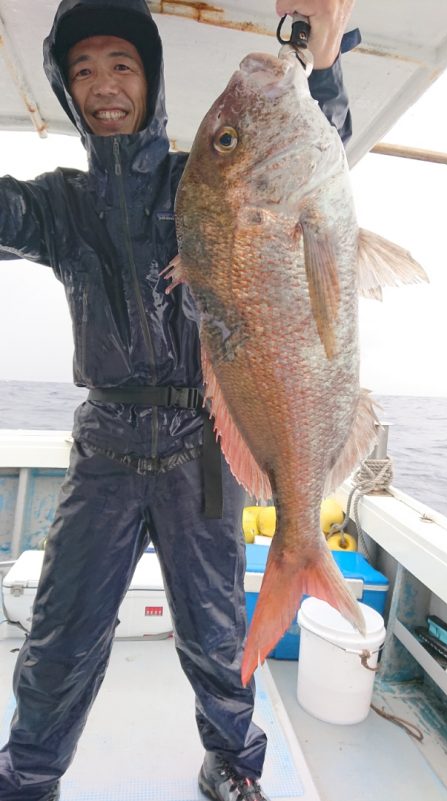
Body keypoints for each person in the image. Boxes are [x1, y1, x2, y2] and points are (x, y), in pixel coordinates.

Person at [0, 1, 357, 799]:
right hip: (105, 445)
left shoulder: (198, 179)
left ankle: (232, 762)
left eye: (121, 65)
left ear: (152, 78)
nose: (104, 85)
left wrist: (323, 62)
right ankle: (28, 777)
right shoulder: (60, 203)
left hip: (203, 443)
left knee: (216, 631)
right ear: (66, 88)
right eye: (84, 70)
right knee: (61, 636)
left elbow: (306, 163)